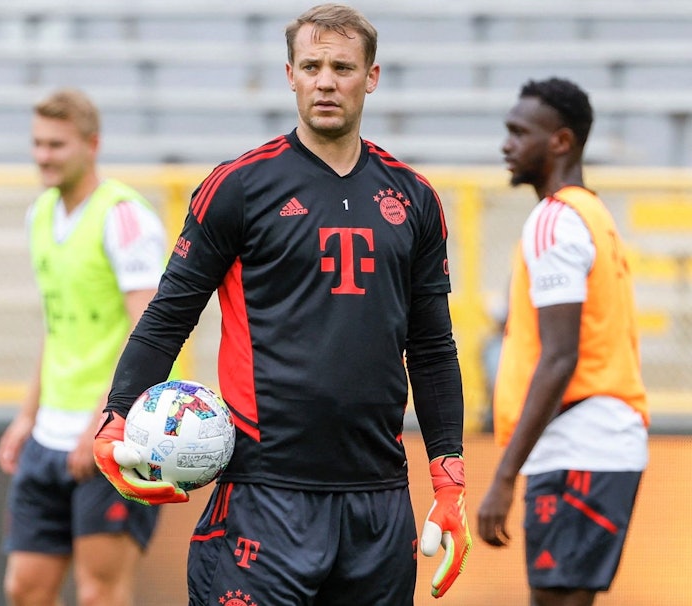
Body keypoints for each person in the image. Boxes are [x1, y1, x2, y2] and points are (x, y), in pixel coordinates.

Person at [93, 4, 471, 605]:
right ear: (290, 74)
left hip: (377, 501)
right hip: (264, 494)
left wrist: (448, 481)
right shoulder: (239, 187)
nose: (326, 81)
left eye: (343, 67)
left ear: (370, 77)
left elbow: (431, 349)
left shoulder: (416, 199)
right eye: (312, 66)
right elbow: (169, 315)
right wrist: (115, 417)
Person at [477, 78, 650, 606]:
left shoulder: (554, 221)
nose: (507, 144)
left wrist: (503, 479)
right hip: (595, 443)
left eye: (519, 132)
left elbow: (560, 357)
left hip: (582, 445)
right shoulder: (591, 213)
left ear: (561, 142)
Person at [0, 88, 168, 606]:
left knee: (100, 593)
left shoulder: (124, 218)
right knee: (24, 588)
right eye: (37, 144)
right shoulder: (40, 216)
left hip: (109, 436)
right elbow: (57, 325)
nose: (43, 156)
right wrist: (28, 415)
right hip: (50, 433)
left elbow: (150, 334)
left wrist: (103, 421)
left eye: (56, 144)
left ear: (92, 144)